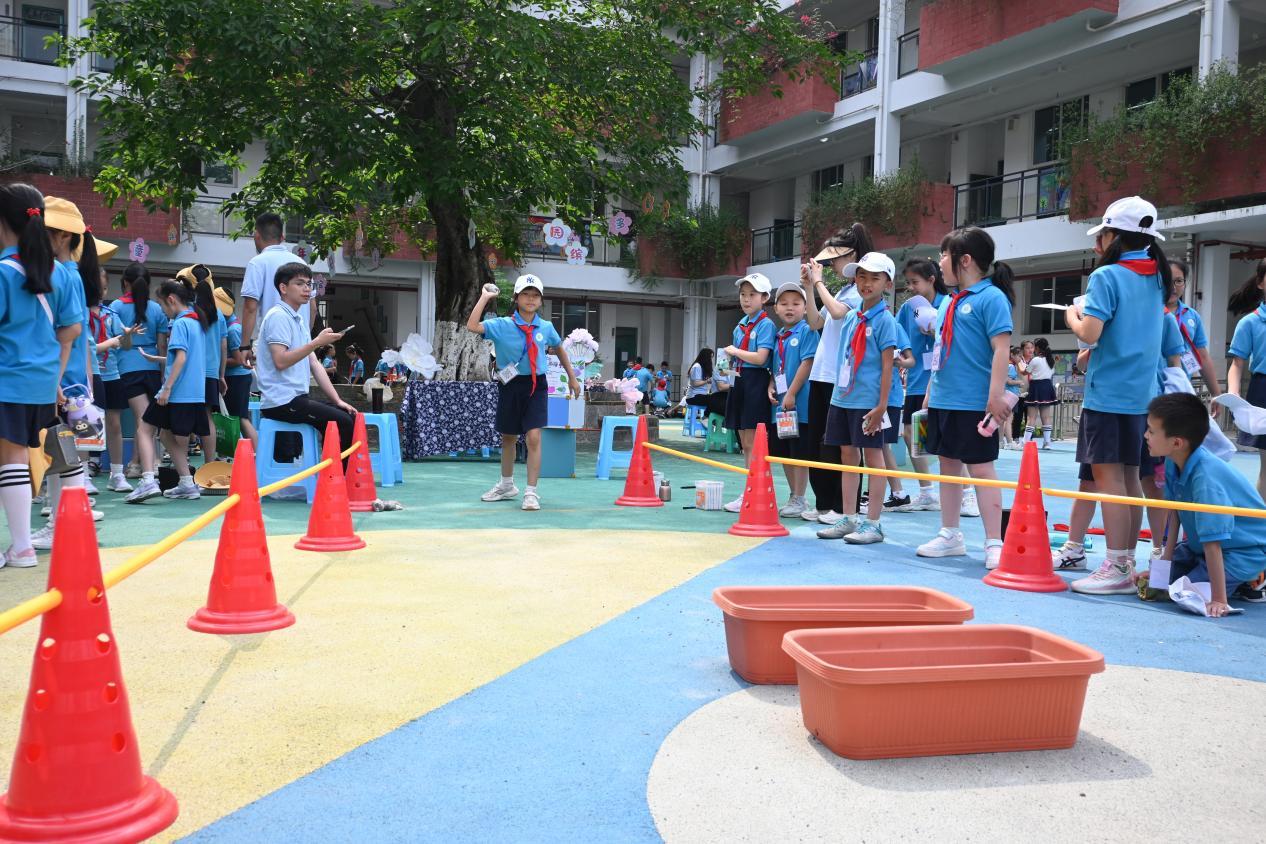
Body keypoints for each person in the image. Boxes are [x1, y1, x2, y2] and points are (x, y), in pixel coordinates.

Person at [1065, 195, 1171, 594]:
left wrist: (1072, 316)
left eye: (1102, 235)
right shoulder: (1156, 278)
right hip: (1143, 396)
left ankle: (1116, 565)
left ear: (1112, 236)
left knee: (1110, 483)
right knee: (1129, 481)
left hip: (1109, 394)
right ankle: (1124, 561)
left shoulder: (1106, 277)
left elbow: (1090, 334)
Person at [917, 227, 1015, 569]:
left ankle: (993, 542)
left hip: (974, 403)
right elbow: (940, 352)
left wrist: (995, 396)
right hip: (945, 399)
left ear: (966, 260)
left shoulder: (991, 299)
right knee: (948, 467)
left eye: (944, 255)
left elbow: (1001, 349)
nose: (940, 262)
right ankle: (950, 535)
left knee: (981, 470)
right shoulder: (949, 303)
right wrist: (931, 393)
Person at [0, 184, 79, 567]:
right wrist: (55, 377)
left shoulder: (3, 272)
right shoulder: (60, 273)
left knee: (11, 459)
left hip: (7, 380)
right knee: (52, 454)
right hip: (43, 384)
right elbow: (70, 331)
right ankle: (29, 543)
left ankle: (21, 546)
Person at [466, 273, 579, 511]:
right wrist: (485, 297)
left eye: (535, 295)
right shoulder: (502, 325)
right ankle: (506, 485)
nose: (530, 299)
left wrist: (572, 377)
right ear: (517, 298)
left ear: (540, 300)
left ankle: (531, 492)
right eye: (526, 294)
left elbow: (558, 348)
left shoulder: (546, 327)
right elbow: (472, 325)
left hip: (536, 385)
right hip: (510, 385)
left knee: (534, 437)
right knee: (508, 437)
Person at [1147, 393, 1266, 617]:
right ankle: (1235, 579)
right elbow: (1175, 514)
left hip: (1242, 551)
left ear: (1176, 442)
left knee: (1186, 592)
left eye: (1151, 431)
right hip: (1199, 548)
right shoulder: (1173, 462)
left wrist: (1218, 599)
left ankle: (1255, 576)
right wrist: (1162, 570)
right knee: (1159, 585)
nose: (1145, 435)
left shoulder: (1206, 479)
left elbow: (1214, 542)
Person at [814, 252, 897, 545]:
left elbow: (888, 366)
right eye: (861, 276)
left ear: (887, 283)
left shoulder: (886, 320)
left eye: (875, 278)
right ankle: (848, 517)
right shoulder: (851, 316)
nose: (866, 283)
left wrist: (882, 405)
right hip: (843, 397)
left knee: (873, 458)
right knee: (846, 455)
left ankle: (873, 522)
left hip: (870, 402)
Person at [800, 223, 873, 524]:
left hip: (840, 378)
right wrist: (808, 286)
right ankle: (823, 504)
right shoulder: (843, 288)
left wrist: (818, 283)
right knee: (817, 443)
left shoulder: (860, 289)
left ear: (853, 255)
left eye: (836, 259)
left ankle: (845, 508)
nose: (831, 265)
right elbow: (817, 322)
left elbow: (840, 312)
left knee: (840, 445)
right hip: (821, 373)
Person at [256, 263, 357, 461]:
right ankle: (337, 480)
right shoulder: (278, 317)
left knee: (347, 414)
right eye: (300, 283)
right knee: (343, 421)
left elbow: (315, 365)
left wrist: (337, 400)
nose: (306, 289)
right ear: (283, 288)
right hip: (281, 401)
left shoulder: (298, 320)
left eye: (309, 284)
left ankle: (332, 475)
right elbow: (280, 361)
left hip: (295, 399)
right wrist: (317, 342)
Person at [138, 280, 211, 501]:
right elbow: (184, 358)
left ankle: (147, 480)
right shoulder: (197, 321)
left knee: (144, 430)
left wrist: (166, 388)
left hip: (176, 391)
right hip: (192, 392)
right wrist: (161, 358)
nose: (162, 311)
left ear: (171, 300)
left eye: (162, 306)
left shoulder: (180, 323)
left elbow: (181, 357)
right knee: (166, 436)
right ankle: (186, 483)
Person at [892, 258, 947, 511]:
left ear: (932, 280)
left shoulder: (947, 304)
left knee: (948, 438)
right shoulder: (907, 309)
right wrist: (898, 357)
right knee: (910, 434)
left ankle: (967, 492)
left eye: (915, 282)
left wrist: (936, 333)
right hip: (916, 382)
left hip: (941, 382)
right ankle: (927, 492)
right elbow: (897, 335)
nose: (911, 287)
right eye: (908, 283)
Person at [111, 262, 169, 501]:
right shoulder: (156, 308)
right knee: (148, 420)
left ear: (125, 283)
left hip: (127, 366)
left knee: (142, 419)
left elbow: (119, 341)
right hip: (153, 366)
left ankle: (141, 464)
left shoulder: (115, 306)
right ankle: (140, 462)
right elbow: (162, 344)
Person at [721, 272, 776, 512]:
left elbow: (761, 358)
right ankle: (748, 490)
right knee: (744, 441)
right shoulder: (739, 326)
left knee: (754, 440)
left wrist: (735, 352)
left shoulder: (766, 325)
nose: (746, 299)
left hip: (756, 381)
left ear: (764, 297)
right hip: (740, 380)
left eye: (752, 295)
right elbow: (735, 360)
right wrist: (726, 368)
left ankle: (755, 491)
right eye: (743, 294)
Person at [765, 281, 819, 518]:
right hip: (781, 408)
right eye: (784, 303)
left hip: (801, 405)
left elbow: (808, 362)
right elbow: (775, 369)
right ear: (775, 308)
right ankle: (793, 495)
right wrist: (771, 386)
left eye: (796, 303)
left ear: (805, 307)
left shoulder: (808, 331)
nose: (790, 308)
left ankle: (800, 497)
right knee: (785, 452)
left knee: (800, 453)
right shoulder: (778, 337)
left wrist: (792, 393)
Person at [94, 264, 143, 492]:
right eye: (97, 288)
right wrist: (113, 341)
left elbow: (124, 346)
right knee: (87, 425)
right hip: (90, 374)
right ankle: (83, 472)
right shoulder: (80, 314)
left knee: (113, 424)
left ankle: (116, 473)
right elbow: (88, 348)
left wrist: (127, 336)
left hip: (112, 375)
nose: (101, 292)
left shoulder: (111, 315)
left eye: (104, 288)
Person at [176, 265, 227, 462]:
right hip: (211, 373)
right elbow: (223, 347)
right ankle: (209, 463)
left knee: (183, 416)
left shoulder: (188, 312)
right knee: (207, 418)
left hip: (189, 372)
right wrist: (221, 375)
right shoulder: (219, 314)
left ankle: (182, 463)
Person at [240, 213, 307, 353]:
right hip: (302, 347)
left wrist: (244, 346)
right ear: (282, 237)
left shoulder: (257, 263)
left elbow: (250, 307)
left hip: (272, 346)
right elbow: (312, 308)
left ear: (256, 235)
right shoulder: (301, 262)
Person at [1167, 260, 1221, 396]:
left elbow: (1202, 356)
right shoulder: (1148, 312)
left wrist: (1216, 394)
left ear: (1185, 283)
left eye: (1179, 281)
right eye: (1166, 280)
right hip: (1152, 389)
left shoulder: (1192, 315)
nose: (1173, 287)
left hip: (1180, 390)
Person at [215, 286, 258, 451]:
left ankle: (256, 454)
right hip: (240, 377)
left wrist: (219, 362)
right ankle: (253, 453)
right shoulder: (232, 324)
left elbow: (239, 359)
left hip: (237, 378)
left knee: (240, 418)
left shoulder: (232, 329)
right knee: (238, 417)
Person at [879, 320, 914, 510]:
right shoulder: (858, 321)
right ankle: (898, 493)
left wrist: (898, 362)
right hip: (867, 396)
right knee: (878, 447)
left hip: (889, 398)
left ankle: (897, 493)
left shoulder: (894, 326)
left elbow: (910, 360)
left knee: (881, 446)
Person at [1022, 337, 1057, 449]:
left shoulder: (1035, 360)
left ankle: (1025, 442)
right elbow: (1051, 373)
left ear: (1037, 348)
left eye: (1033, 347)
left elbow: (1024, 372)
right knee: (1046, 417)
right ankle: (1047, 443)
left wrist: (1019, 363)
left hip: (1036, 387)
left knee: (1031, 417)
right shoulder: (1051, 360)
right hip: (1047, 386)